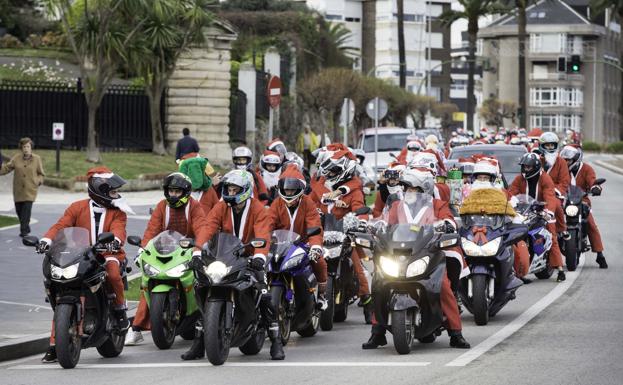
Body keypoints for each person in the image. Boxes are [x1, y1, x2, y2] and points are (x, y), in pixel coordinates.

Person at [362, 168, 470, 350]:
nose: (409, 192)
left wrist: (447, 225)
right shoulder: (396, 205)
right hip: (397, 253)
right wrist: (375, 225)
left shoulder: (437, 204)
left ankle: (455, 333)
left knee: (442, 286)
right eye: (406, 187)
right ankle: (377, 332)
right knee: (379, 282)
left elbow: (449, 219)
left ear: (424, 189)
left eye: (414, 188)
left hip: (428, 253)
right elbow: (385, 220)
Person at [38, 167, 132, 362]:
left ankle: (120, 309)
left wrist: (114, 240)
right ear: (101, 192)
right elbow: (61, 225)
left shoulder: (118, 213)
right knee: (59, 289)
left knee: (113, 273)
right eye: (113, 192)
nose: (117, 195)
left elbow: (119, 230)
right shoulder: (76, 207)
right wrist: (47, 240)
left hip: (108, 253)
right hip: (80, 255)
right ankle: (56, 345)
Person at [198, 170, 285, 360]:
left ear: (245, 190)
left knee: (264, 294)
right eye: (228, 188)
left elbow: (262, 234)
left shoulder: (258, 209)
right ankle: (199, 342)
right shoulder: (221, 207)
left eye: (234, 188)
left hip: (251, 256)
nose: (230, 191)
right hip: (225, 256)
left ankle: (276, 340)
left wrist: (260, 256)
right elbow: (208, 226)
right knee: (202, 284)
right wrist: (198, 250)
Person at [125, 173, 211, 347]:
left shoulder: (194, 207)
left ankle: (209, 319)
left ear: (185, 192)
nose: (173, 195)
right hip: (164, 250)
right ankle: (135, 329)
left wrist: (198, 249)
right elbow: (152, 229)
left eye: (177, 192)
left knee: (205, 281)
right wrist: (142, 249)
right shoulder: (161, 206)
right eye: (171, 191)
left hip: (190, 250)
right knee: (147, 283)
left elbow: (202, 228)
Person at [310, 149, 372, 310]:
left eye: (334, 171)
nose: (330, 174)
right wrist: (313, 213)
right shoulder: (320, 187)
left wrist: (360, 221)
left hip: (344, 235)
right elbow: (309, 204)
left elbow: (360, 209)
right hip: (322, 234)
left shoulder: (354, 191)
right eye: (329, 171)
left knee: (357, 265)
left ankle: (366, 296)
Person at [268, 165, 328, 308]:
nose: (289, 192)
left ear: (300, 189)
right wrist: (265, 241)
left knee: (319, 262)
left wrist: (315, 246)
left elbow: (314, 225)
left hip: (302, 243)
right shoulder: (276, 203)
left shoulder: (308, 203)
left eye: (292, 190)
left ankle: (321, 295)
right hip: (280, 245)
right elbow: (268, 224)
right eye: (286, 189)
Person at [508, 153, 566, 282]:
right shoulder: (519, 178)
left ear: (536, 167)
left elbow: (550, 196)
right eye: (524, 166)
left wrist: (548, 211)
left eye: (528, 167)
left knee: (552, 235)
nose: (526, 169)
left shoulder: (545, 178)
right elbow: (511, 193)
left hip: (542, 211)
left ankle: (560, 269)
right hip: (523, 211)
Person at [560, 145, 607, 268]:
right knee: (552, 220)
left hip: (582, 200)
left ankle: (600, 254)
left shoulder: (587, 169)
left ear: (576, 159)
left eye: (568, 160)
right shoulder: (560, 169)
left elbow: (592, 181)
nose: (566, 162)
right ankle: (548, 255)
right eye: (564, 160)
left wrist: (595, 187)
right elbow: (553, 181)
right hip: (563, 200)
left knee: (591, 224)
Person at [0, 137, 45, 237]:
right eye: (24, 146)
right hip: (18, 190)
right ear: (21, 148)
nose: (26, 149)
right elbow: (6, 168)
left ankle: (24, 232)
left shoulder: (37, 159)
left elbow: (41, 174)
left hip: (30, 190)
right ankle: (25, 227)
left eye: (28, 146)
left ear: (31, 147)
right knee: (19, 211)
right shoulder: (16, 158)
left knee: (26, 212)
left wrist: (37, 181)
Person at [537, 132, 571, 241]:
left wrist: (555, 191)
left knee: (556, 204)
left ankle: (562, 229)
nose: (550, 147)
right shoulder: (537, 160)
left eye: (552, 145)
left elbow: (565, 181)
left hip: (555, 193)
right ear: (541, 146)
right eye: (547, 145)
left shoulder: (561, 162)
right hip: (538, 191)